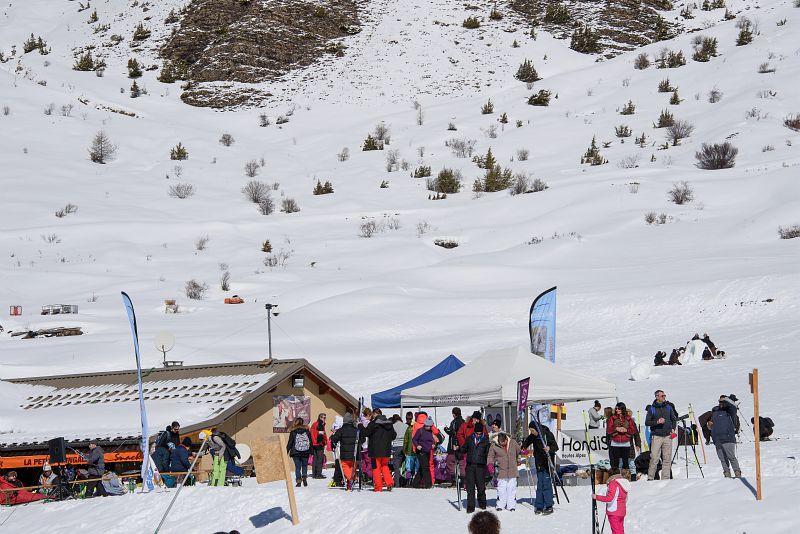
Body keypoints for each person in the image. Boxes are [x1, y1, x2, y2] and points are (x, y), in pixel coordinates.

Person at [522, 420, 557, 515]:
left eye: (533, 430)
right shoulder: (533, 436)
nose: (532, 432)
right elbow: (526, 443)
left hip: (547, 463)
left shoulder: (547, 434)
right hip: (538, 462)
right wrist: (524, 448)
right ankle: (539, 505)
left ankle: (549, 505)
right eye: (530, 430)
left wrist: (549, 448)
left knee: (546, 484)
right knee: (540, 484)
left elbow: (555, 446)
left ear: (537, 428)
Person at [645, 390, 677, 481]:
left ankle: (665, 479)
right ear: (657, 397)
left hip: (668, 436)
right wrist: (657, 422)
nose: (664, 397)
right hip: (657, 436)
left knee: (667, 458)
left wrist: (673, 428)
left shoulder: (668, 407)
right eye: (662, 396)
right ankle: (650, 478)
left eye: (664, 395)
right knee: (654, 458)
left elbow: (674, 419)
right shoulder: (652, 408)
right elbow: (647, 422)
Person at [362, 408, 396, 492]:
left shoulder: (373, 423)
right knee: (385, 466)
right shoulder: (389, 423)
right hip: (386, 450)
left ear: (374, 414)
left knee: (376, 468)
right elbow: (394, 436)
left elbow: (365, 433)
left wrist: (360, 425)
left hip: (375, 450)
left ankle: (378, 487)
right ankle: (389, 482)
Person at [708, 395, 741, 478]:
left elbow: (733, 406)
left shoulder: (731, 411)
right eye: (720, 402)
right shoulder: (715, 411)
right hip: (717, 439)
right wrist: (710, 425)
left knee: (731, 457)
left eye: (723, 402)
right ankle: (727, 475)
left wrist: (726, 399)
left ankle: (737, 474)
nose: (721, 403)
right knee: (722, 459)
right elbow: (710, 425)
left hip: (728, 438)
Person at [487, 432, 521, 512]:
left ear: (506, 439)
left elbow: (519, 450)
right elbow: (490, 455)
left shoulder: (513, 442)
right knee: (501, 489)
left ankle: (511, 506)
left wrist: (522, 453)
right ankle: (500, 505)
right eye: (500, 443)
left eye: (504, 443)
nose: (502, 445)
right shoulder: (494, 445)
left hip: (512, 470)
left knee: (511, 489)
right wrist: (490, 464)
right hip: (501, 470)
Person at [464, 422, 490, 513]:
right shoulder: (469, 439)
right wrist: (457, 451)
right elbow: (464, 449)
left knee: (481, 487)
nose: (478, 435)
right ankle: (470, 506)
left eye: (480, 433)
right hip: (470, 466)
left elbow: (488, 454)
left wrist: (488, 463)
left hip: (480, 466)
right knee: (470, 488)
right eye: (477, 433)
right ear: (474, 432)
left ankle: (482, 504)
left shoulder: (486, 440)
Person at [330, 412, 360, 490]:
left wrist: (333, 442)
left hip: (345, 453)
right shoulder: (356, 430)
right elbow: (362, 439)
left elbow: (334, 438)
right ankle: (350, 480)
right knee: (352, 467)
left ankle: (349, 479)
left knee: (345, 467)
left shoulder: (341, 430)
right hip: (355, 453)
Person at [607, 402, 636, 478]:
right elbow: (609, 430)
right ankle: (617, 478)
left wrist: (626, 430)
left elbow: (633, 430)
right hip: (615, 443)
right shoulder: (612, 418)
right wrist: (616, 428)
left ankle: (626, 478)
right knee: (616, 462)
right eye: (616, 408)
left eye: (618, 408)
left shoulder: (629, 419)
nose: (617, 410)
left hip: (626, 442)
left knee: (625, 462)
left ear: (622, 409)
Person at [286, 417, 313, 487]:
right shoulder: (307, 431)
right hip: (305, 451)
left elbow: (290, 442)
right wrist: (311, 451)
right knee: (304, 465)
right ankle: (304, 477)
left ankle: (298, 481)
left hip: (296, 452)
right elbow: (310, 441)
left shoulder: (293, 431)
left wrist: (286, 451)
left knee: (297, 467)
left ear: (295, 422)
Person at [412, 417, 437, 488]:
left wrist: (433, 444)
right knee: (426, 467)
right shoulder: (420, 431)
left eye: (430, 426)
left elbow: (432, 440)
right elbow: (414, 439)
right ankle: (428, 484)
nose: (428, 427)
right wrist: (417, 445)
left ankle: (415, 483)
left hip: (428, 451)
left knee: (422, 467)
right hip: (421, 452)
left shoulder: (431, 431)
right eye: (427, 426)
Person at [445, 407, 466, 483]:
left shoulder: (455, 422)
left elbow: (454, 433)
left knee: (450, 462)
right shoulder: (463, 422)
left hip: (454, 446)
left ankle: (455, 481)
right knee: (462, 463)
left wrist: (446, 429)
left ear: (454, 414)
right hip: (462, 446)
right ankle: (463, 481)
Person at [309, 413, 328, 479]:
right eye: (324, 417)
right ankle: (318, 474)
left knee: (315, 459)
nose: (325, 419)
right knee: (320, 459)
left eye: (325, 418)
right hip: (319, 444)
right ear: (320, 417)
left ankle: (314, 474)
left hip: (314, 444)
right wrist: (324, 442)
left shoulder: (314, 424)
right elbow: (321, 435)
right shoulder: (319, 425)